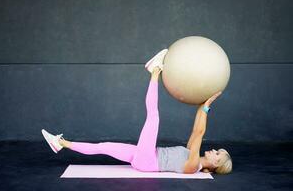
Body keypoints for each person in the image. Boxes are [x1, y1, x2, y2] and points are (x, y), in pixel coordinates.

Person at [42, 49, 232, 174]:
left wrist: (207, 106)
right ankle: (60, 143)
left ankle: (155, 71)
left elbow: (200, 132)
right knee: (103, 146)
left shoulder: (193, 166)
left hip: (148, 159)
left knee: (153, 117)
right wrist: (204, 105)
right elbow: (195, 130)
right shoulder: (192, 153)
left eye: (218, 154)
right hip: (143, 157)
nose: (214, 150)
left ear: (216, 164)